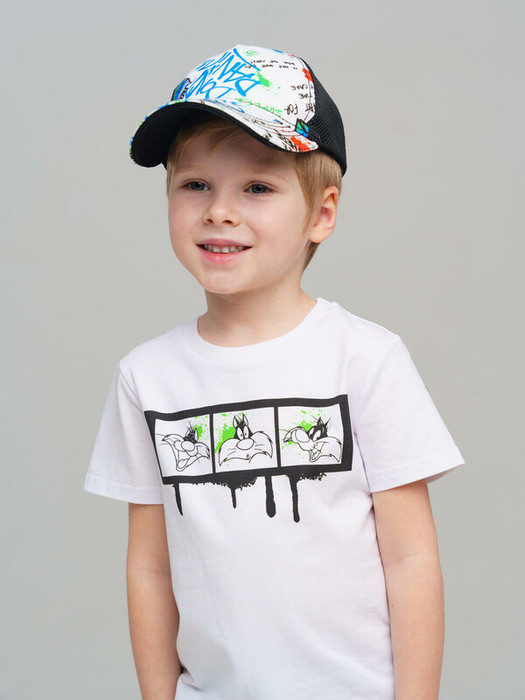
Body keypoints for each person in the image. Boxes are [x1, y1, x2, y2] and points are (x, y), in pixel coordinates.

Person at [85, 44, 464, 700]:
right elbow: (149, 568)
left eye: (257, 187)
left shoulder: (364, 360)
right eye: (194, 185)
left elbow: (410, 560)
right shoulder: (146, 377)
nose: (219, 211)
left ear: (321, 214)